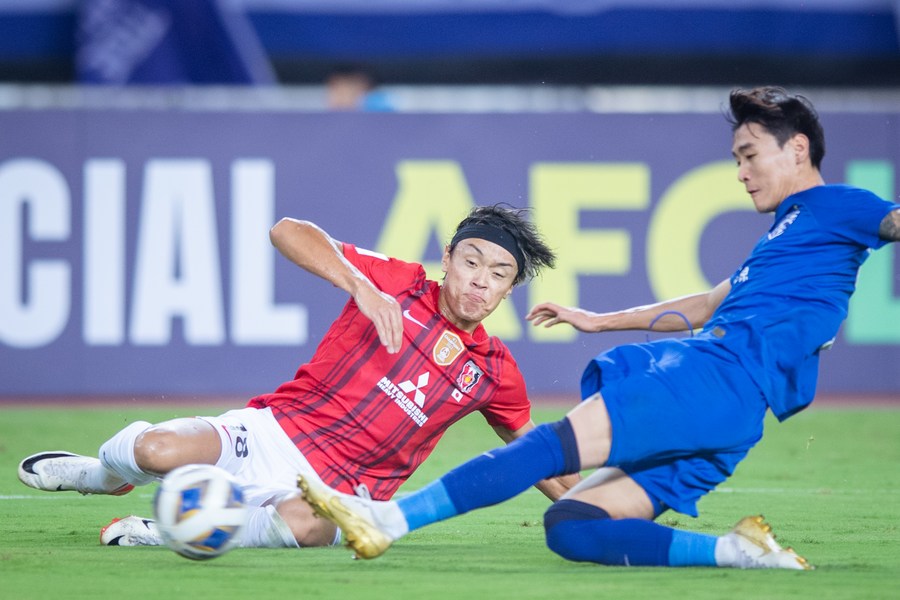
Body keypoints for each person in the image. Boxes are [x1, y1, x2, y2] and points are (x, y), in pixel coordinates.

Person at [297, 86, 900, 569]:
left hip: (712, 379)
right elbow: (706, 304)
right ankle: (736, 550)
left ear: (797, 149)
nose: (741, 172)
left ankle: (387, 520)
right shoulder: (788, 235)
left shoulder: (838, 206)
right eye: (736, 159)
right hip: (735, 418)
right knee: (574, 527)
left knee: (547, 446)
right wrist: (597, 321)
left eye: (749, 155)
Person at [18, 204, 577, 549]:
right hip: (271, 432)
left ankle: (166, 530)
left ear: (509, 290)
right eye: (472, 262)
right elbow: (288, 230)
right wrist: (361, 286)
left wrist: (592, 507)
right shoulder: (398, 283)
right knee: (156, 448)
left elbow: (532, 452)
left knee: (308, 528)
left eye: (499, 274)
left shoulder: (496, 372)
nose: (480, 281)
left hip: (341, 493)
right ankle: (105, 474)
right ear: (448, 257)